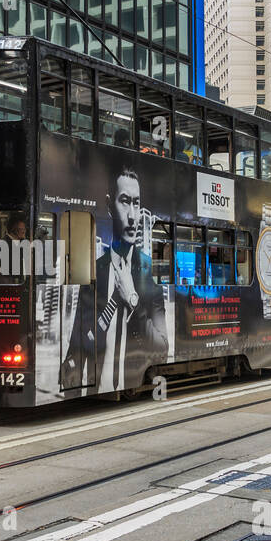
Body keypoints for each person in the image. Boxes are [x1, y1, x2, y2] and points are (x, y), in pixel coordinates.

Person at [63, 167, 167, 393]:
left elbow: (162, 349)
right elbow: (77, 344)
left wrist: (133, 300)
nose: (132, 215)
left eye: (137, 203)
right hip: (95, 391)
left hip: (131, 384)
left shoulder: (151, 273)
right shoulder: (94, 271)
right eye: (124, 201)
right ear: (110, 205)